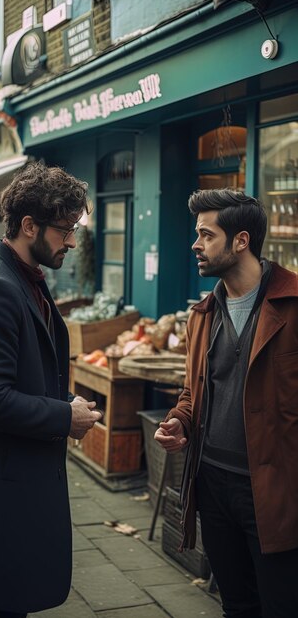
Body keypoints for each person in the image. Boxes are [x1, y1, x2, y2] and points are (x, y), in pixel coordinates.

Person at [0, 161, 102, 618]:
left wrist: (63, 403)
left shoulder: (23, 277)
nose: (72, 241)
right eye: (65, 230)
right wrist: (64, 416)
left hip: (18, 489)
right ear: (28, 225)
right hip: (1, 502)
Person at [155, 188, 298, 618]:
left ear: (241, 241)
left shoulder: (293, 306)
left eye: (206, 235)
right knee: (236, 605)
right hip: (212, 487)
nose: (195, 245)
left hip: (275, 492)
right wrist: (180, 420)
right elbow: (192, 391)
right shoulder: (202, 314)